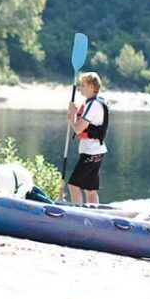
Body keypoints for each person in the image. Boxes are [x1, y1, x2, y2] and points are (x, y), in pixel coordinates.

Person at [65, 72, 109, 205]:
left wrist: (72, 115)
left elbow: (78, 129)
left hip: (90, 151)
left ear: (91, 86)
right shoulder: (97, 102)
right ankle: (93, 215)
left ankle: (76, 213)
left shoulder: (93, 105)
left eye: (83, 85)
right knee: (90, 189)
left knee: (73, 185)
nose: (80, 88)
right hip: (98, 151)